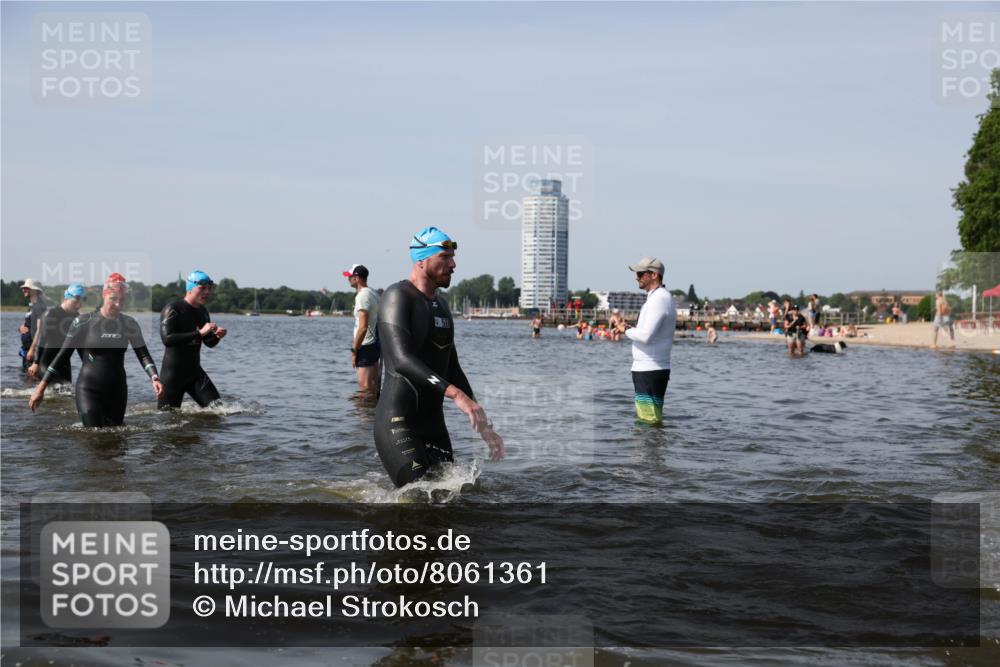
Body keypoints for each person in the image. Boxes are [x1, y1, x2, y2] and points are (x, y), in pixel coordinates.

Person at [374, 227, 504, 487]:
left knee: (453, 498)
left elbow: (451, 366)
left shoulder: (442, 305)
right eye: (444, 257)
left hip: (434, 425)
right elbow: (401, 360)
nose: (453, 264)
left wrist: (483, 423)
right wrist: (456, 395)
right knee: (417, 499)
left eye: (453, 257)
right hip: (399, 421)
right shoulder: (397, 296)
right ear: (421, 259)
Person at [29, 274, 163, 427]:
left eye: (122, 300)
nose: (118, 304)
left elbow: (143, 354)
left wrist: (154, 377)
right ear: (104, 295)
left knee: (115, 443)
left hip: (117, 390)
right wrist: (41, 387)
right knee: (94, 437)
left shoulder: (129, 323)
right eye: (113, 299)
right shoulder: (83, 322)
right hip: (88, 389)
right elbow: (62, 355)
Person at [616, 257, 676, 425]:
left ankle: (648, 451)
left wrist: (625, 329)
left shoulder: (659, 299)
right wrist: (632, 328)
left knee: (647, 422)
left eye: (641, 274)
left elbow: (646, 336)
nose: (637, 277)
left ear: (654, 275)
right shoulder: (660, 297)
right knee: (652, 421)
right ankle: (654, 450)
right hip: (652, 368)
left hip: (649, 368)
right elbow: (648, 332)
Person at [158, 270, 227, 409]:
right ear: (189, 288)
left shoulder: (203, 312)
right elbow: (168, 339)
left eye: (209, 289)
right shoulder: (172, 309)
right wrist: (200, 333)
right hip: (172, 376)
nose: (207, 292)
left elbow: (209, 342)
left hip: (195, 373)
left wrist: (217, 336)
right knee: (168, 420)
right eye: (202, 288)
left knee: (219, 410)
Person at [26, 283, 87, 384]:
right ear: (67, 297)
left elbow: (80, 346)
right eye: (76, 300)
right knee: (54, 394)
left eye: (81, 301)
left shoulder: (77, 318)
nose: (79, 305)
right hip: (46, 364)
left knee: (66, 396)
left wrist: (89, 364)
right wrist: (35, 363)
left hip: (65, 366)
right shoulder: (51, 314)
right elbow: (41, 339)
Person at [344, 264, 380, 391]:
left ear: (357, 278)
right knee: (373, 388)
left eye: (350, 277)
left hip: (365, 345)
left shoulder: (362, 296)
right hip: (374, 344)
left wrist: (354, 351)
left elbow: (363, 326)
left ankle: (362, 412)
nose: (348, 279)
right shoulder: (373, 293)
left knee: (364, 390)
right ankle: (372, 411)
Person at [19, 278, 49, 371]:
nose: (23, 290)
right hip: (27, 350)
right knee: (26, 380)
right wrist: (20, 328)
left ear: (35, 291)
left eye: (27, 288)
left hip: (34, 351)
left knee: (31, 380)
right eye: (24, 288)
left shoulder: (40, 307)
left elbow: (40, 330)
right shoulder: (32, 306)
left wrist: (32, 349)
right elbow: (28, 324)